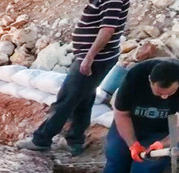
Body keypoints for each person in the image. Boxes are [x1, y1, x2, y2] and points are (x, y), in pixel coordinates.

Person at [16, 0, 130, 155]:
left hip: (95, 59)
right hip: (94, 57)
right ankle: (75, 140)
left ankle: (41, 140)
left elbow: (108, 30)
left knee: (66, 98)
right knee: (84, 99)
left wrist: (89, 58)